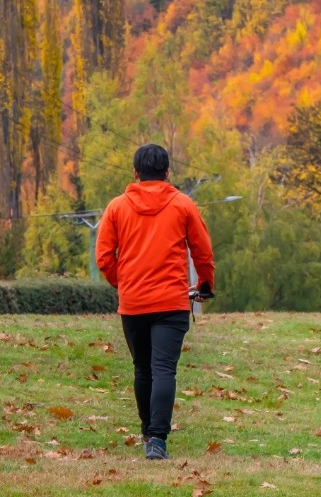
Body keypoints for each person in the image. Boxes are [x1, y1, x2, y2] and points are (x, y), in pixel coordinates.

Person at [95, 144, 215, 461]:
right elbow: (202, 252)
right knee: (164, 370)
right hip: (171, 302)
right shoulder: (183, 205)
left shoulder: (116, 207)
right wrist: (205, 284)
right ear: (167, 173)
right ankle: (157, 441)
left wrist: (124, 284)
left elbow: (104, 257)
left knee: (142, 369)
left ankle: (148, 431)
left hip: (133, 303)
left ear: (135, 173)